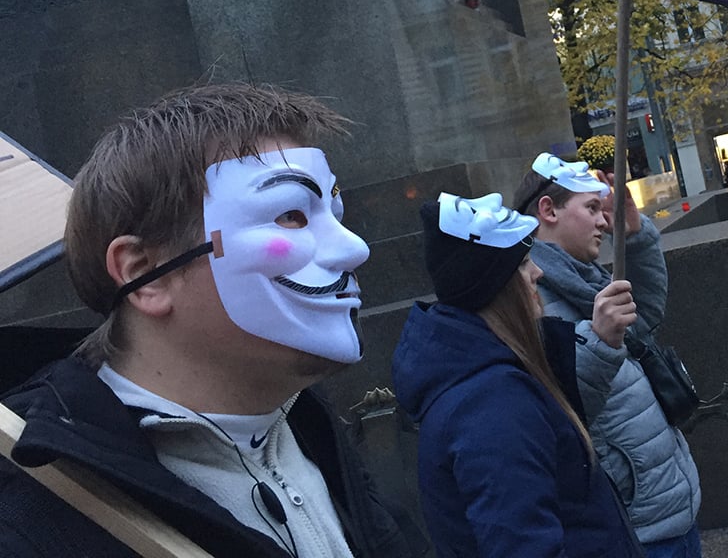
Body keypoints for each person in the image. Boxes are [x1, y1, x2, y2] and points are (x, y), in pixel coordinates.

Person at [0, 83, 417, 557]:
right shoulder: (31, 521)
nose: (353, 248)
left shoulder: (307, 424)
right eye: (291, 216)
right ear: (146, 275)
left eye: (334, 213)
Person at [392, 193, 642, 557]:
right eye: (524, 263)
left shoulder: (486, 382)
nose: (538, 272)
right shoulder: (492, 405)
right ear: (496, 285)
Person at [514, 154, 702, 558]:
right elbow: (561, 411)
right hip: (632, 530)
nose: (603, 221)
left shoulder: (585, 276)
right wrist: (600, 341)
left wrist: (636, 239)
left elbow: (643, 321)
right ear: (548, 210)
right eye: (592, 208)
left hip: (667, 507)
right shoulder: (531, 299)